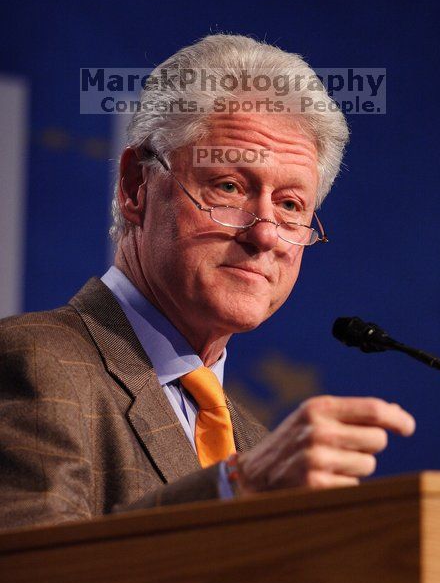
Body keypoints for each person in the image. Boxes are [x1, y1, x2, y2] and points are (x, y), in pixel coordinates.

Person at [0, 34, 415, 531]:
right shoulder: (34, 362)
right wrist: (234, 489)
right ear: (136, 187)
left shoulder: (258, 447)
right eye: (230, 187)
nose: (265, 235)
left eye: (290, 205)